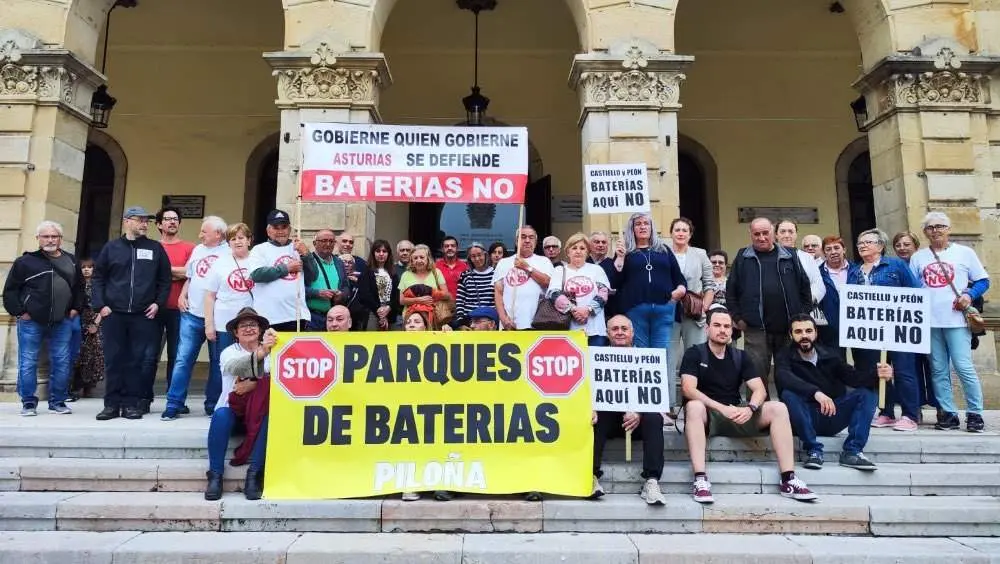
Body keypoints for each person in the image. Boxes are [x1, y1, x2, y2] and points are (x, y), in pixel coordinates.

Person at [681, 308, 816, 504]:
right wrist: (721, 408)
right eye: (717, 325)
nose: (723, 330)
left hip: (738, 412)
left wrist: (750, 408)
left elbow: (760, 389)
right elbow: (688, 389)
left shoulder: (740, 356)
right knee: (693, 406)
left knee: (778, 408)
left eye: (727, 326)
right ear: (708, 328)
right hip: (709, 416)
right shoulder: (695, 353)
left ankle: (789, 479)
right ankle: (700, 480)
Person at [777, 314, 892, 471]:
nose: (804, 335)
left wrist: (877, 374)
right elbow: (785, 378)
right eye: (798, 332)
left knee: (867, 393)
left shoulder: (830, 355)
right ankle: (813, 451)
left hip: (831, 415)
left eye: (808, 331)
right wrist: (815, 393)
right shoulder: (784, 356)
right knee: (788, 395)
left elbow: (853, 378)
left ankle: (852, 451)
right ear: (791, 335)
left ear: (816, 333)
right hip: (803, 417)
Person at [910, 211, 990, 432]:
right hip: (930, 322)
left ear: (948, 229)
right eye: (930, 227)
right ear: (925, 232)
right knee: (938, 370)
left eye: (940, 226)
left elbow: (983, 280)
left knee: (964, 367)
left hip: (957, 321)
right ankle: (948, 413)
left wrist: (969, 295)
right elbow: (913, 288)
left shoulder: (964, 253)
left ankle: (975, 413)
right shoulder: (919, 257)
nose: (935, 231)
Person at [92, 206, 172, 421]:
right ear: (127, 221)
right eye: (140, 220)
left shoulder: (155, 248)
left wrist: (158, 303)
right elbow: (98, 278)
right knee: (114, 360)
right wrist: (101, 306)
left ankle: (131, 405)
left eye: (147, 220)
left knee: (137, 361)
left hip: (142, 315)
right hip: (114, 314)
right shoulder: (111, 248)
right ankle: (111, 405)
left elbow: (164, 280)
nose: (144, 224)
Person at [3, 220, 83, 416]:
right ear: (38, 239)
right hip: (32, 322)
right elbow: (10, 291)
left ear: (60, 239)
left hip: (62, 321)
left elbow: (79, 288)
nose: (50, 240)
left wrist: (75, 308)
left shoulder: (71, 261)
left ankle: (58, 401)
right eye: (46, 236)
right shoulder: (25, 262)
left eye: (54, 236)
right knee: (28, 361)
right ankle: (28, 403)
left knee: (62, 361)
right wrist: (21, 312)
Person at [848, 228, 921, 432]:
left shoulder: (896, 265)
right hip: (869, 331)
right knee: (877, 370)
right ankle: (886, 412)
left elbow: (914, 293)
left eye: (868, 242)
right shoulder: (854, 271)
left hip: (898, 328)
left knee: (904, 370)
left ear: (880, 246)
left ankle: (909, 415)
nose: (862, 245)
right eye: (860, 242)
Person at [726, 218, 811, 393]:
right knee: (756, 376)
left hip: (789, 329)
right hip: (756, 329)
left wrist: (802, 316)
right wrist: (738, 318)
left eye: (766, 233)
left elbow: (805, 288)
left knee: (789, 375)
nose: (762, 237)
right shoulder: (743, 257)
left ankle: (789, 414)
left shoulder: (790, 256)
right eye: (757, 234)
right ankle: (758, 416)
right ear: (751, 234)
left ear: (773, 233)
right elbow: (731, 291)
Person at [591, 315, 667, 505]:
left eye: (624, 328)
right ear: (607, 334)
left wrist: (639, 412)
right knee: (593, 416)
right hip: (607, 421)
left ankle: (651, 481)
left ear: (632, 333)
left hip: (637, 422)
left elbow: (654, 395)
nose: (620, 332)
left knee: (654, 418)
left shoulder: (647, 358)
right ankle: (590, 476)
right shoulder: (595, 358)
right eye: (615, 329)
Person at [161, 216, 230, 420]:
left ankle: (212, 404)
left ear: (218, 234)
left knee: (218, 363)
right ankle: (174, 404)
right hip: (192, 314)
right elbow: (191, 275)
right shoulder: (199, 250)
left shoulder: (228, 253)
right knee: (183, 361)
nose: (200, 235)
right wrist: (183, 294)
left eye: (204, 232)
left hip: (219, 318)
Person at [204, 307, 276, 501]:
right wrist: (262, 354)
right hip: (235, 413)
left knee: (270, 417)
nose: (248, 328)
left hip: (260, 413)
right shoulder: (229, 352)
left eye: (253, 324)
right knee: (220, 415)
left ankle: (254, 474)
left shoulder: (275, 351)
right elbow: (235, 367)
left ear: (261, 329)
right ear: (235, 332)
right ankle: (215, 475)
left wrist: (253, 384)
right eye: (243, 326)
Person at [612, 212, 686, 359]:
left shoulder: (664, 250)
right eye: (638, 224)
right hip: (636, 310)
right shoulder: (626, 251)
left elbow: (679, 279)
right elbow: (616, 283)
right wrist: (620, 258)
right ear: (632, 229)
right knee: (641, 354)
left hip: (664, 308)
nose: (642, 227)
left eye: (646, 223)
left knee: (662, 354)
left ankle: (661, 383)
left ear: (652, 227)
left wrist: (678, 293)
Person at [148, 207, 196, 412]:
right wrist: (178, 273)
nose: (172, 222)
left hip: (181, 309)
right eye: (167, 219)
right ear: (159, 224)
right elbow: (147, 274)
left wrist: (162, 271)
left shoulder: (190, 248)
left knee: (178, 357)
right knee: (149, 356)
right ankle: (144, 398)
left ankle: (175, 401)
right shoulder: (151, 247)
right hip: (153, 309)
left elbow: (191, 272)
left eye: (175, 219)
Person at [668, 218, 715, 413]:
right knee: (668, 357)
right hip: (669, 311)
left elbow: (709, 284)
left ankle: (695, 404)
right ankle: (668, 403)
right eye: (677, 230)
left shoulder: (700, 254)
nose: (680, 233)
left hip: (694, 312)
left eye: (684, 230)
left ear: (690, 233)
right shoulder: (663, 253)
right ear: (671, 233)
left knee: (696, 357)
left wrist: (704, 306)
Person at [893, 230, 937, 416]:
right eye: (898, 245)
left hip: (930, 322)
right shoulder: (892, 267)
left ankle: (941, 408)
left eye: (906, 244)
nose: (902, 248)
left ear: (916, 246)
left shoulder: (927, 262)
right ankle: (915, 407)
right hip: (905, 326)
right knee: (910, 368)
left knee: (935, 366)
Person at [247, 209, 315, 330]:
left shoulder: (298, 247)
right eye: (275, 227)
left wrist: (306, 255)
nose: (280, 231)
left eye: (284, 227)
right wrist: (286, 268)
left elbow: (313, 276)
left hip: (297, 316)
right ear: (268, 230)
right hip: (268, 317)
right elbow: (256, 275)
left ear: (289, 229)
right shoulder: (259, 249)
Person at [546, 233, 611, 345]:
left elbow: (603, 293)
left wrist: (588, 309)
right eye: (574, 248)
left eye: (582, 248)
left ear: (587, 252)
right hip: (569, 330)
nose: (578, 251)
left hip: (595, 330)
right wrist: (573, 310)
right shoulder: (559, 270)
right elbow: (553, 293)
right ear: (568, 252)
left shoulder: (596, 269)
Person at [205, 223, 255, 358]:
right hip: (224, 324)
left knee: (249, 364)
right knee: (222, 364)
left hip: (251, 324)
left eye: (241, 238)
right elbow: (210, 296)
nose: (237, 241)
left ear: (249, 240)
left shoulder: (258, 260)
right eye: (233, 239)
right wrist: (209, 325)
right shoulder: (220, 263)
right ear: (228, 243)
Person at [493, 226, 554, 330]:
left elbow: (547, 282)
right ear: (517, 241)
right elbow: (498, 293)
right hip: (510, 324)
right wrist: (503, 319)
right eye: (523, 237)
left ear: (535, 242)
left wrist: (526, 267)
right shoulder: (504, 263)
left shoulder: (544, 261)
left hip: (537, 323)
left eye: (531, 237)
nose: (527, 240)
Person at [70, 258, 104, 400]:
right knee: (78, 354)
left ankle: (88, 387)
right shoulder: (76, 284)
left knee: (93, 355)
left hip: (96, 320)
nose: (86, 269)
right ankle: (74, 386)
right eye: (84, 267)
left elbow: (105, 304)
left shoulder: (99, 285)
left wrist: (95, 324)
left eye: (90, 267)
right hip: (79, 319)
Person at [305, 229, 348, 331]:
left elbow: (346, 286)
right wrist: (318, 293)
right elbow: (297, 289)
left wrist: (341, 295)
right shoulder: (307, 262)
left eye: (331, 241)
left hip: (334, 319)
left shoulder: (339, 262)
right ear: (315, 243)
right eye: (324, 241)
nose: (328, 244)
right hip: (312, 317)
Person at [775, 219, 826, 305]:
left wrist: (807, 303)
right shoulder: (766, 257)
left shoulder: (807, 258)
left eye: (791, 231)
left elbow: (818, 285)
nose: (787, 235)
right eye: (782, 232)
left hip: (802, 310)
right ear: (776, 235)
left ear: (796, 235)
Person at [398, 244, 451, 322]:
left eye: (422, 257)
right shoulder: (406, 275)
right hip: (411, 319)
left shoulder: (436, 273)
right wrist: (419, 300)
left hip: (434, 318)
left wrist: (432, 294)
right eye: (415, 258)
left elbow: (447, 295)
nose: (419, 260)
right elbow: (401, 300)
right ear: (411, 260)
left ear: (428, 258)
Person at [453, 242, 495, 328]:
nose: (477, 258)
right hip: (470, 321)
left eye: (479, 255)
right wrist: (461, 318)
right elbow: (460, 299)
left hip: (489, 322)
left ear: (485, 255)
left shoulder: (496, 273)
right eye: (473, 256)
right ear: (469, 258)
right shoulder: (465, 275)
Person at [362, 239, 399, 331]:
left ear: (388, 254)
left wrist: (388, 308)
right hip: (373, 312)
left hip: (391, 313)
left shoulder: (393, 273)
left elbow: (397, 294)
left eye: (384, 251)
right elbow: (365, 294)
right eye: (378, 251)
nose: (381, 254)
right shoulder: (367, 271)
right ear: (373, 253)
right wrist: (379, 310)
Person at [587, 231, 619, 319]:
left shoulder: (613, 264)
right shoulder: (583, 263)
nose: (601, 245)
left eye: (604, 242)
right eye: (597, 242)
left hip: (609, 312)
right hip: (586, 311)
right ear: (589, 245)